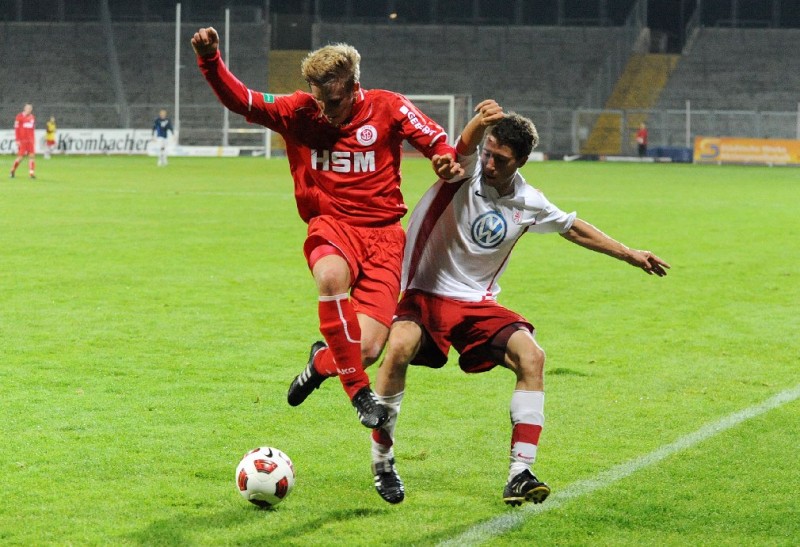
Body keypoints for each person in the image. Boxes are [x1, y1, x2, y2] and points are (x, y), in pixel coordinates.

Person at [368, 100, 670, 506]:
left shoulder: (529, 201)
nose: (490, 164)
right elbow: (463, 144)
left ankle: (520, 473)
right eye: (489, 153)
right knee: (398, 347)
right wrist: (479, 123)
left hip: (477, 302)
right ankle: (383, 463)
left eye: (501, 159)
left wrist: (630, 253)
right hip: (424, 290)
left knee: (532, 357)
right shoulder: (463, 170)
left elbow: (573, 228)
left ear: (522, 161)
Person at [191, 28, 462, 429]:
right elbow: (243, 100)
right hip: (332, 225)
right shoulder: (299, 111)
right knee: (331, 276)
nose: (325, 110)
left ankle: (321, 362)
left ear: (354, 86)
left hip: (386, 237)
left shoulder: (389, 107)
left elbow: (434, 138)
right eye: (318, 98)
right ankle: (358, 391)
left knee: (367, 347)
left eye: (333, 101)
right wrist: (211, 60)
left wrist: (443, 158)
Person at [10, 103, 36, 179]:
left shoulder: (32, 117)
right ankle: (12, 170)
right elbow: (16, 129)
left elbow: (32, 130)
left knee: (32, 156)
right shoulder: (19, 117)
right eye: (28, 108)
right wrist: (17, 140)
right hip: (22, 141)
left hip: (30, 141)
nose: (29, 110)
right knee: (20, 157)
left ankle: (31, 173)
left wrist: (33, 140)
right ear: (25, 108)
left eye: (31, 109)